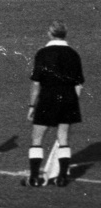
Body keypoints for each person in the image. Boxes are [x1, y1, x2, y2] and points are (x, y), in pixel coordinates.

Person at [28, 20, 84, 187]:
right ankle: (62, 178)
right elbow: (79, 83)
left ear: (50, 33)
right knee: (63, 138)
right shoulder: (74, 54)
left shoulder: (43, 53)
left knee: (37, 138)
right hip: (68, 98)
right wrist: (73, 101)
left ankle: (34, 177)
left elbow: (36, 83)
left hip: (48, 98)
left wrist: (32, 105)